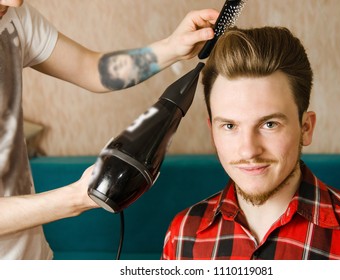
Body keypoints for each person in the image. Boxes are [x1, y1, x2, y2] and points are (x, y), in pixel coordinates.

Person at [0, 0, 219, 259]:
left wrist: (172, 48)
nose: (15, 1)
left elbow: (91, 69)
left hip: (33, 258)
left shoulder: (12, 16)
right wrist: (77, 197)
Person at [161, 27, 340, 260]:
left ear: (306, 128)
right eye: (230, 126)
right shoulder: (182, 235)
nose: (249, 150)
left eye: (269, 124)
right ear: (213, 131)